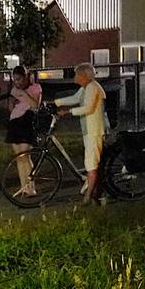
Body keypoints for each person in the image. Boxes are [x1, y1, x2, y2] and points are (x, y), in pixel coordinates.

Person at [55, 62, 110, 204]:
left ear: (83, 76)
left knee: (91, 164)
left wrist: (68, 111)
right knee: (90, 162)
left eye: (76, 74)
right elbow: (75, 98)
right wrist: (55, 102)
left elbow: (88, 108)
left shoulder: (92, 87)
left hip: (94, 131)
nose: (75, 77)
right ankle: (93, 193)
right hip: (89, 131)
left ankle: (88, 197)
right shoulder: (86, 87)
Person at [6, 65, 43, 198]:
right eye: (15, 80)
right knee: (18, 157)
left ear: (26, 77)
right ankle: (23, 187)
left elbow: (35, 105)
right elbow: (10, 105)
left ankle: (31, 187)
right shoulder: (14, 90)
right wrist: (14, 103)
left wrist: (22, 95)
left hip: (27, 120)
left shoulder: (36, 87)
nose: (17, 83)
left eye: (19, 79)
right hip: (15, 121)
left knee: (25, 154)